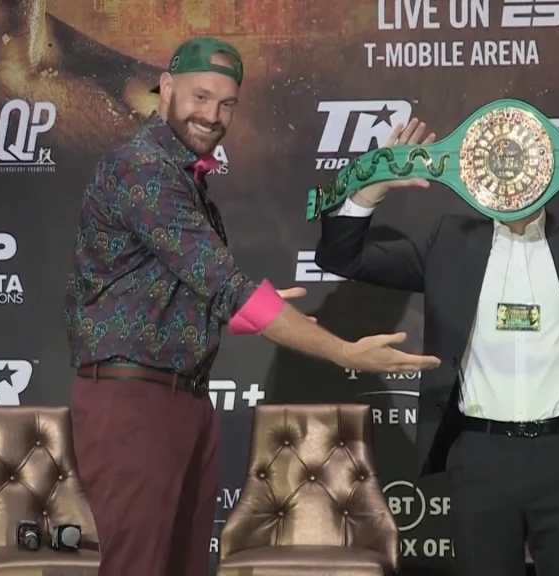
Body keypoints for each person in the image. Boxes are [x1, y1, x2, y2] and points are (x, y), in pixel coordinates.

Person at [64, 37, 441, 576]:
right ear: (165, 89)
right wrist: (346, 353)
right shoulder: (143, 169)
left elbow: (189, 288)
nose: (212, 116)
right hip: (136, 403)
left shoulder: (185, 176)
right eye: (200, 97)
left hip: (182, 400)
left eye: (226, 104)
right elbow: (227, 288)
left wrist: (243, 310)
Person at [314, 118, 559, 576]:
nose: (511, 174)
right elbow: (341, 256)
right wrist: (373, 185)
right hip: (481, 457)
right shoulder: (451, 241)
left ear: (546, 165)